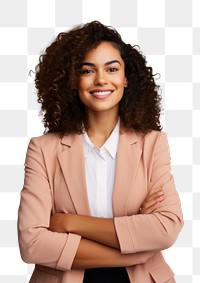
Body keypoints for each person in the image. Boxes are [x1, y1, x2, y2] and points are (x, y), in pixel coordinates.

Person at [18, 21, 183, 283]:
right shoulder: (43, 149)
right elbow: (32, 243)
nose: (101, 79)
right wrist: (135, 249)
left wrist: (70, 223)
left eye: (112, 69)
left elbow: (165, 228)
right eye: (87, 70)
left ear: (126, 78)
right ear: (73, 80)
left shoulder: (153, 143)